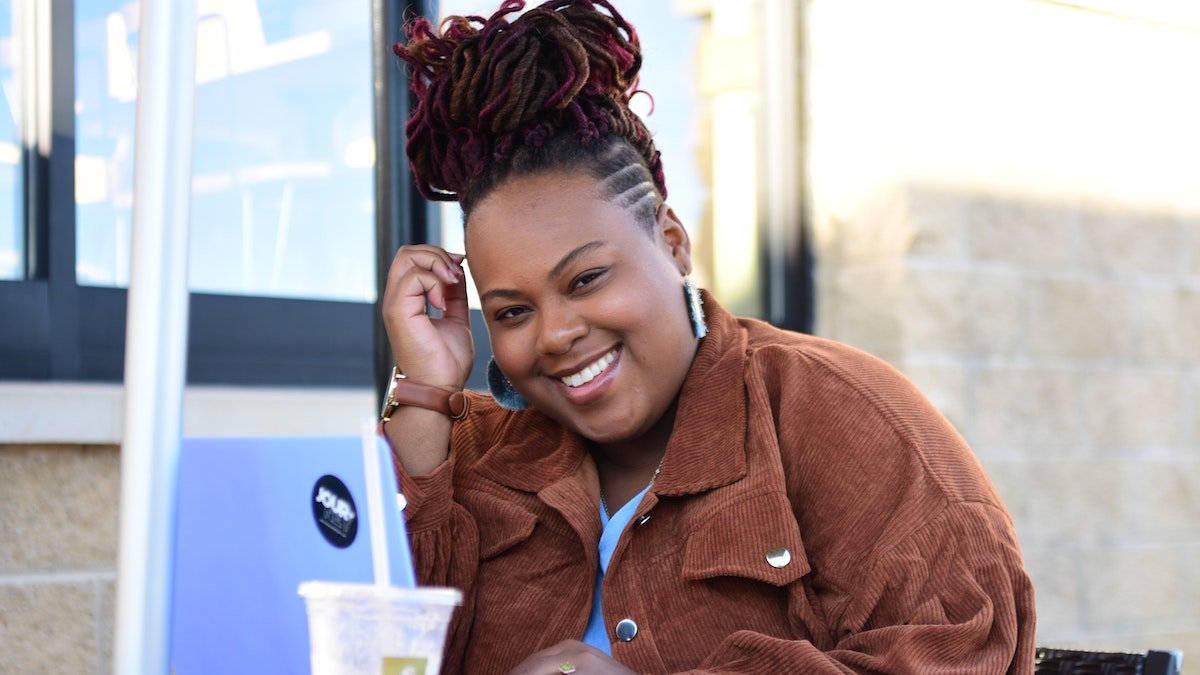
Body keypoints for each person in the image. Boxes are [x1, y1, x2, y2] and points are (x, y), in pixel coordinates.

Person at [380, 1, 1036, 673]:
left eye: (586, 279)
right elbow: (368, 642)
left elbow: (962, 648)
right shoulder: (471, 455)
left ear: (671, 242)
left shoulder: (839, 415)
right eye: (512, 312)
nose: (556, 334)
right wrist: (424, 389)